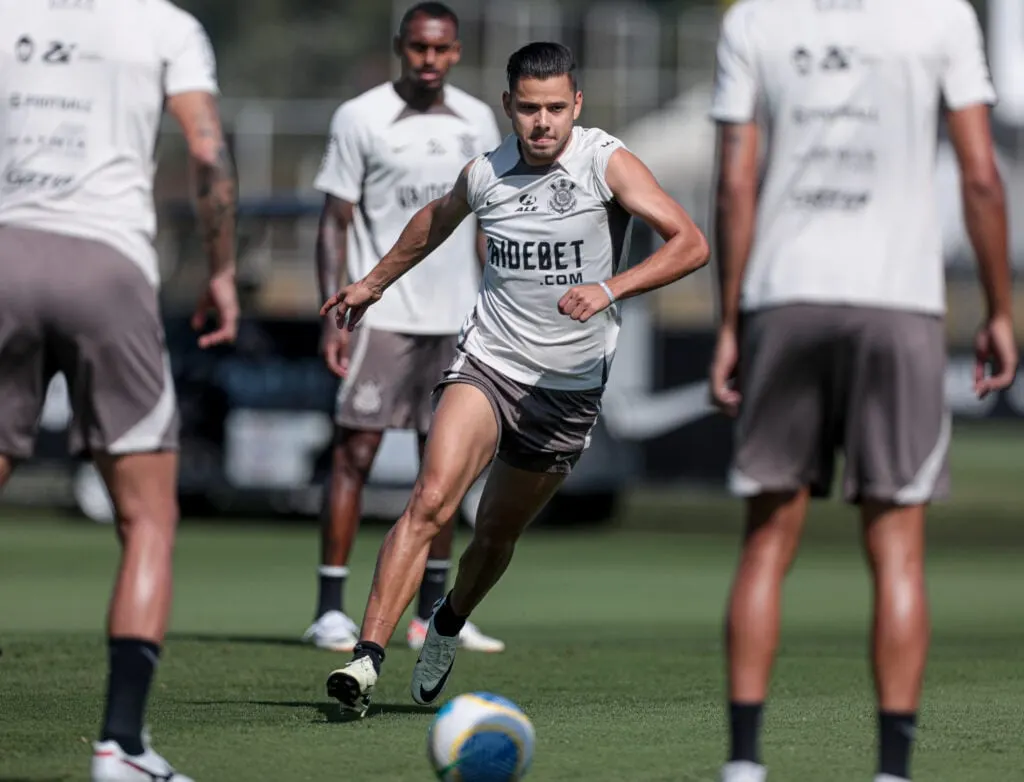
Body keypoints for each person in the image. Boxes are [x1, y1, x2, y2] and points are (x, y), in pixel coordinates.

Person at [319, 40, 711, 717]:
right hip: (489, 363)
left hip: (567, 389)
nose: (542, 123)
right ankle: (366, 659)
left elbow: (691, 243)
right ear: (508, 106)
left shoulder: (604, 162)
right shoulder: (487, 172)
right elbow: (434, 223)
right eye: (529, 109)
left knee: (497, 534)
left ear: (576, 105)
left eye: (555, 108)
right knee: (432, 497)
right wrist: (372, 283)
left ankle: (447, 621)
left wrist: (610, 288)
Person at [707, 1, 1018, 781]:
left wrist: (730, 322)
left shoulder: (755, 20)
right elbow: (982, 176)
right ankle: (891, 771)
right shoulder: (943, 17)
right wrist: (1000, 308)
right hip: (899, 303)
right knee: (898, 554)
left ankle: (744, 765)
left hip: (784, 294)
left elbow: (735, 183)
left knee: (767, 542)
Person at [0, 1, 238, 780]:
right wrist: (222, 270)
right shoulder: (166, 25)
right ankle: (122, 749)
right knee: (148, 517)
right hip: (108, 269)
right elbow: (207, 151)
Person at [304, 1, 506, 656]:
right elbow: (334, 221)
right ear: (401, 46)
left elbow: (486, 224)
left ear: (456, 51)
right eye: (419, 47)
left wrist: (497, 307)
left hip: (457, 319)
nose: (430, 59)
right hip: (382, 315)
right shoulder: (359, 117)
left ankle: (433, 614)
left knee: (442, 470)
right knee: (354, 454)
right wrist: (334, 314)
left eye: (442, 49)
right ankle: (331, 608)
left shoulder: (479, 119)